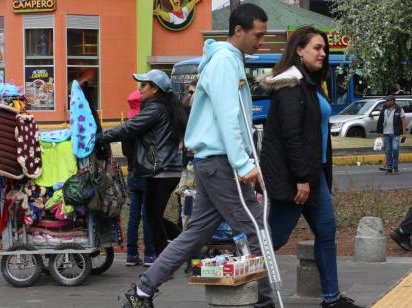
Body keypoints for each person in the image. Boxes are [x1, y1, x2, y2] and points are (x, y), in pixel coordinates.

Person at [117, 4, 274, 308]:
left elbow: (234, 119)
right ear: (239, 31)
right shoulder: (225, 63)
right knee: (256, 229)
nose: (262, 41)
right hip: (221, 163)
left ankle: (143, 291)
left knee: (195, 235)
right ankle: (265, 301)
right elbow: (229, 116)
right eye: (258, 35)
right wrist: (244, 164)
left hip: (215, 163)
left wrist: (248, 162)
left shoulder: (227, 61)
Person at [258, 25, 363, 308]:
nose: (323, 53)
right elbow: (292, 136)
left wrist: (314, 176)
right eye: (317, 47)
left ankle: (331, 298)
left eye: (324, 48)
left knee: (327, 232)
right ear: (298, 50)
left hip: (313, 175)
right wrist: (302, 179)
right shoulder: (290, 85)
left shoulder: (309, 83)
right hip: (297, 179)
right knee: (274, 238)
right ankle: (253, 293)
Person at [96, 69, 186, 260]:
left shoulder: (155, 109)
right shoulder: (166, 107)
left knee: (152, 218)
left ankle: (168, 258)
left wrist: (99, 137)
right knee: (154, 216)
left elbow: (129, 128)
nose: (140, 89)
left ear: (155, 89)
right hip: (167, 170)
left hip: (159, 171)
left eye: (144, 85)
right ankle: (181, 249)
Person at [122, 90, 156, 267]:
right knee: (148, 215)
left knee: (134, 215)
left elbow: (125, 152)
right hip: (147, 174)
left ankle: (131, 254)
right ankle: (150, 254)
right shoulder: (147, 126)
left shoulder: (127, 127)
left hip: (133, 173)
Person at [376, 95, 406, 175]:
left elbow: (403, 121)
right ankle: (389, 168)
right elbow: (380, 120)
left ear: (392, 101)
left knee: (395, 149)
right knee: (388, 151)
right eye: (386, 101)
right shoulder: (384, 109)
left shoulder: (399, 109)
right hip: (386, 134)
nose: (386, 102)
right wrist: (379, 131)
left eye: (387, 101)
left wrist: (404, 133)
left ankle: (395, 167)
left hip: (395, 134)